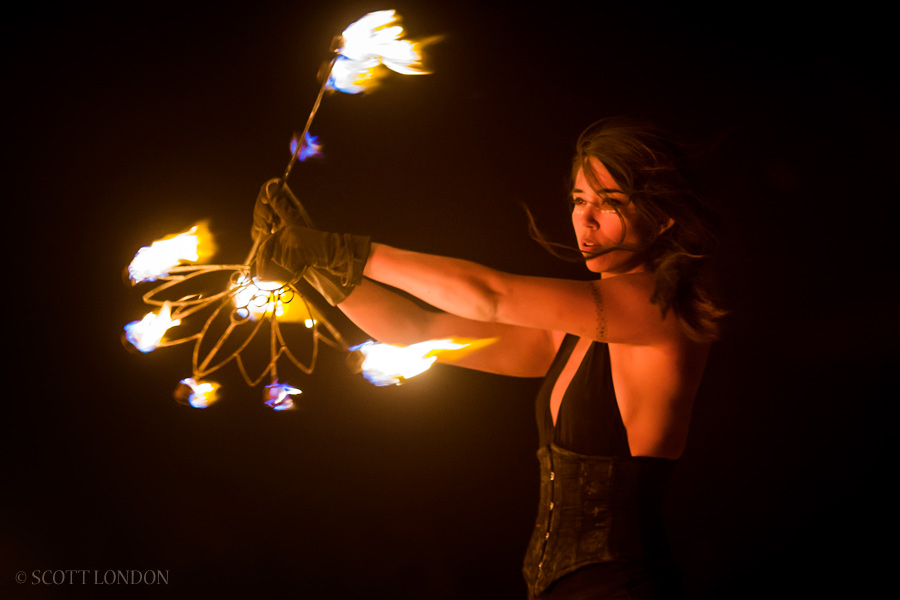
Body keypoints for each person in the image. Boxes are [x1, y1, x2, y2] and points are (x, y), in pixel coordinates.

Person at [252, 117, 725, 599]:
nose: (586, 220)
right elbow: (415, 329)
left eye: (611, 204)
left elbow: (490, 295)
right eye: (580, 200)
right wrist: (312, 262)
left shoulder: (657, 311)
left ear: (664, 217)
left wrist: (344, 249)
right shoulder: (570, 334)